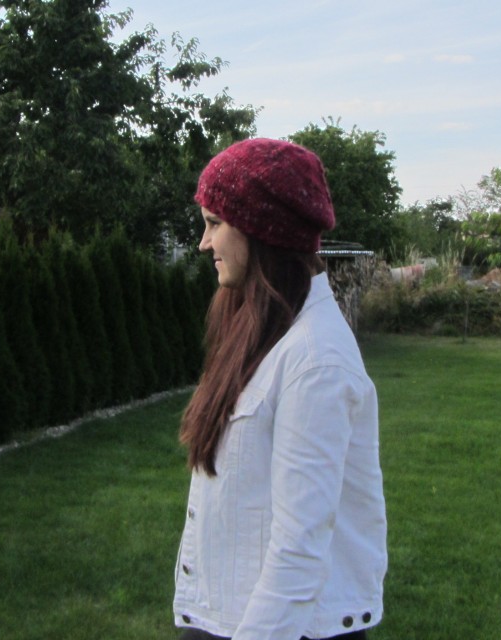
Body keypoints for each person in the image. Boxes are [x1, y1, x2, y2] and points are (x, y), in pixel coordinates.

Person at [173, 138, 387, 640]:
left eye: (215, 223)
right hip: (233, 616)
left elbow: (299, 553)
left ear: (260, 229)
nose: (204, 243)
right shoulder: (265, 330)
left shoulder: (315, 361)